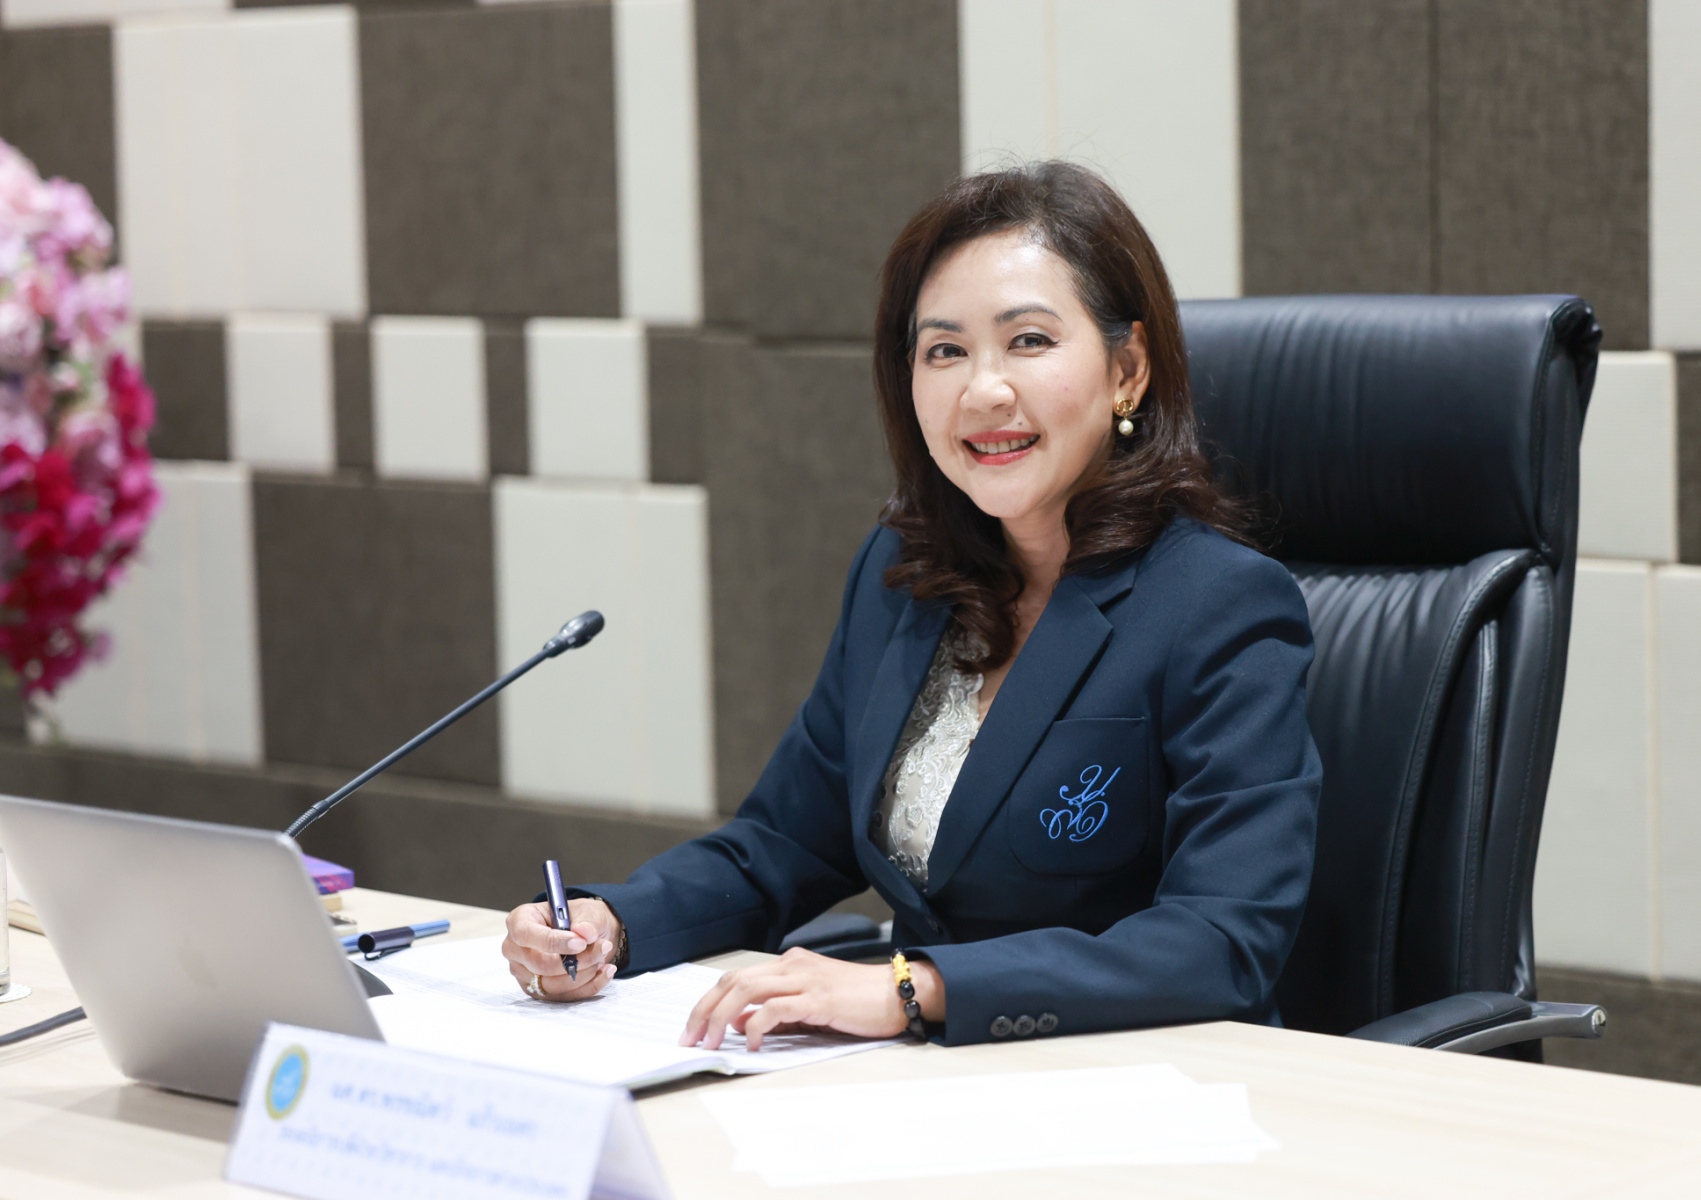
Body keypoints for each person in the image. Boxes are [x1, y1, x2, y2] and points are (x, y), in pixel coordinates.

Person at [500, 161, 1322, 1048]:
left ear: (1128, 369)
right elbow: (788, 841)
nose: (983, 390)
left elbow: (1220, 941)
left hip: (1146, 1082)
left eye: (1029, 341)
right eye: (945, 350)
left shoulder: (1219, 605)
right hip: (920, 1078)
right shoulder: (904, 574)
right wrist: (611, 923)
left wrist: (916, 988)